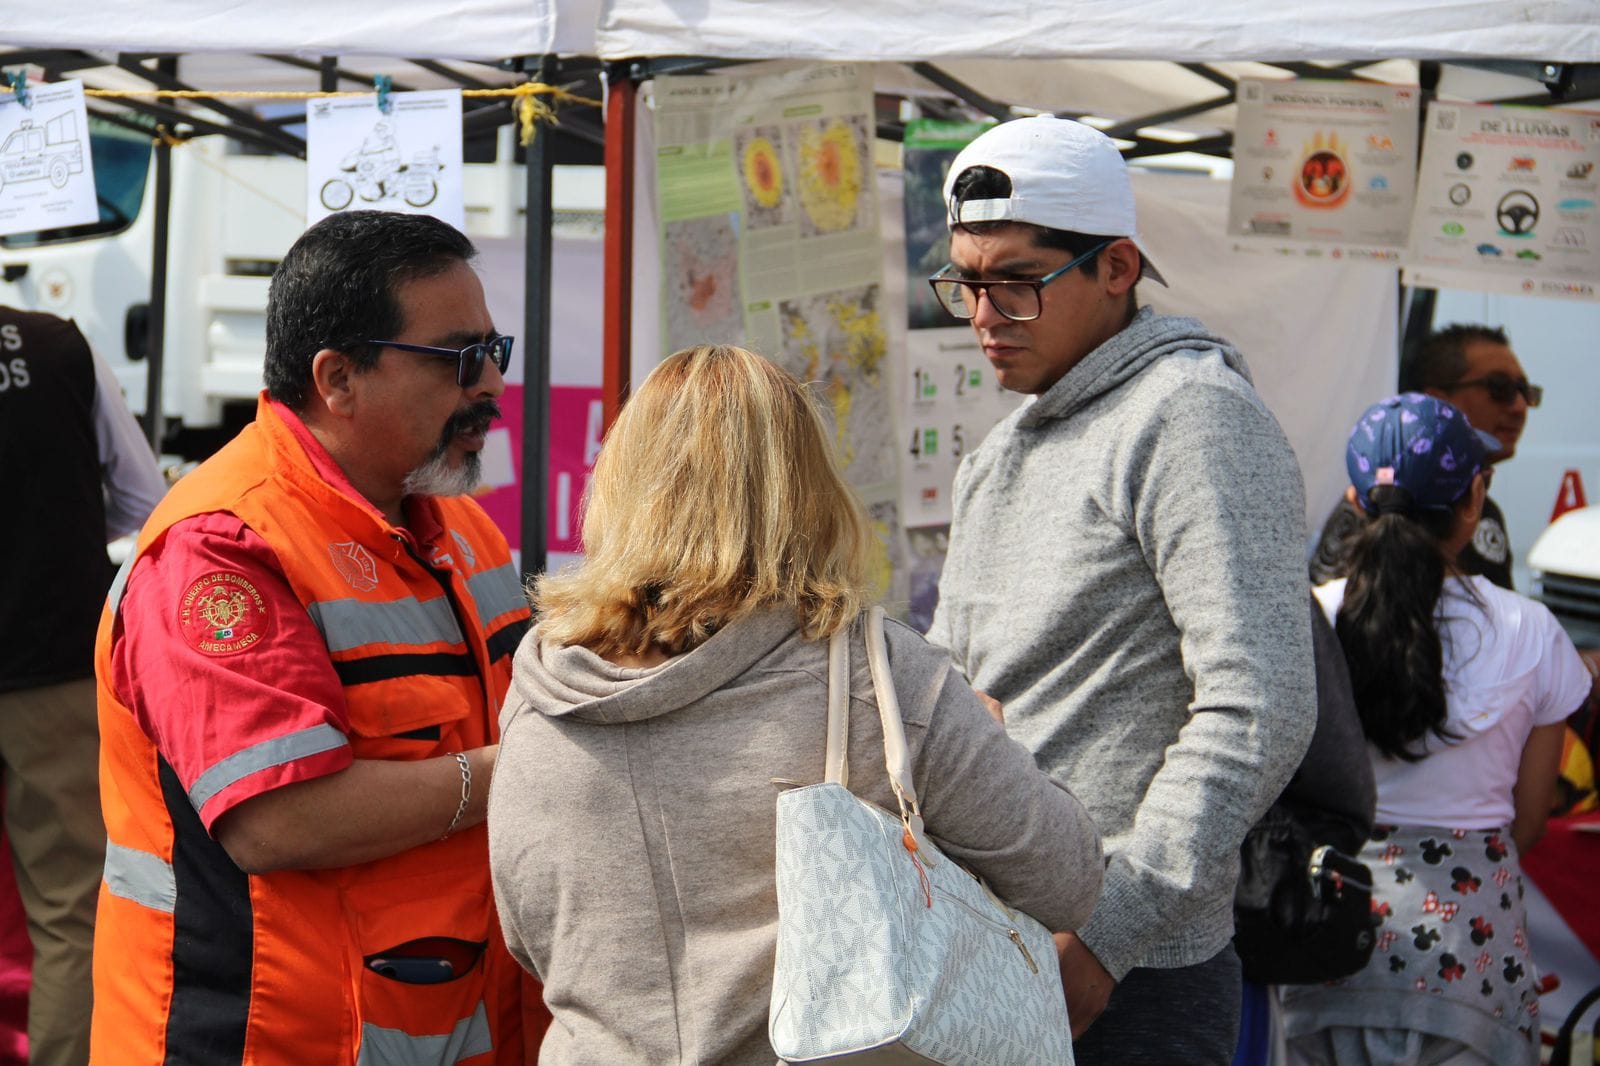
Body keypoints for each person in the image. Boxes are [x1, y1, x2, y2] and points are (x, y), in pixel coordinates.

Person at [488, 344, 1104, 1066]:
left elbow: (529, 937)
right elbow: (1069, 879)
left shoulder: (538, 697)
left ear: (618, 486)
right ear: (804, 488)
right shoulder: (876, 677)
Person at [90, 211, 534, 1063]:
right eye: (457, 358)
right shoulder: (221, 549)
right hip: (263, 1037)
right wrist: (528, 773)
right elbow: (277, 819)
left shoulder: (462, 527)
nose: (488, 385)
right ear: (336, 378)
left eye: (494, 351)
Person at [924, 115, 1317, 1065]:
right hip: (992, 947)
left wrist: (1109, 932)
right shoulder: (1004, 447)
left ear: (1117, 267)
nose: (984, 315)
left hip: (1130, 973)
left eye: (1017, 281)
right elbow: (954, 681)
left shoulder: (1192, 417)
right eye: (968, 283)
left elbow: (1260, 705)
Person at [1280, 393, 1589, 1065]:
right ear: (1473, 500)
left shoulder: (1306, 621)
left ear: (1356, 501)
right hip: (1471, 955)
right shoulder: (1531, 632)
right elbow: (1529, 819)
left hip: (1324, 935)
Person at [0, 305, 165, 1066]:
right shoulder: (58, 345)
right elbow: (145, 507)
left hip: (51, 664)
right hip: (52, 666)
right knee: (73, 913)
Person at [1310, 324, 1538, 589]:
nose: (1519, 406)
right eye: (1499, 388)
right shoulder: (1381, 500)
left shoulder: (1489, 512)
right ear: (1439, 401)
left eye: (1525, 390)